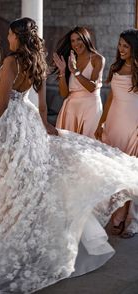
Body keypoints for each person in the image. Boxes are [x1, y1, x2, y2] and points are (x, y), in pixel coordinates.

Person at [0, 18, 138, 294]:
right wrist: (45, 125)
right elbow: (38, 105)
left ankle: (8, 226)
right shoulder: (35, 62)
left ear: (17, 36)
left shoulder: (10, 62)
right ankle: (19, 224)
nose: (9, 38)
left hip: (11, 123)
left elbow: (2, 104)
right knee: (27, 177)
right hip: (27, 121)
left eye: (11, 35)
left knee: (10, 177)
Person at [95, 29, 138, 239]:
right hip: (114, 122)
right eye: (120, 45)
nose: (121, 49)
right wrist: (102, 122)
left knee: (132, 172)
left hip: (133, 123)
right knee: (116, 171)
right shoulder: (115, 67)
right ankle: (117, 214)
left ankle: (131, 219)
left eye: (125, 46)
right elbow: (111, 97)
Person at [53, 27, 104, 138]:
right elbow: (64, 94)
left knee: (89, 146)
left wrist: (75, 71)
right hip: (70, 109)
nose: (76, 43)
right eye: (73, 41)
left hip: (91, 108)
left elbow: (92, 87)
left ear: (86, 39)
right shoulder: (70, 60)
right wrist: (62, 71)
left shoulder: (97, 59)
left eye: (79, 39)